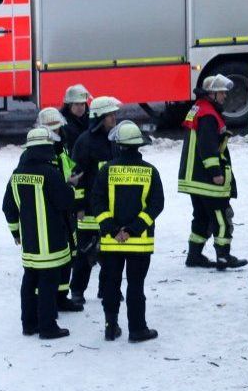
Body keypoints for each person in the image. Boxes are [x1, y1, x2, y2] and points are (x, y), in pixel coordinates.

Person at [3, 127, 76, 340]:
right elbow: (64, 201)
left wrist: (15, 232)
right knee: (48, 284)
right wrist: (70, 187)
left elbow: (8, 206)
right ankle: (47, 327)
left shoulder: (17, 175)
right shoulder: (50, 174)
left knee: (29, 281)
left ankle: (29, 324)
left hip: (30, 244)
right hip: (52, 241)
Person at [93, 121, 163, 343]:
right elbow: (156, 205)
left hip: (111, 242)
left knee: (111, 284)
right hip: (139, 243)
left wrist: (113, 230)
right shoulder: (150, 171)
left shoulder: (106, 171)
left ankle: (110, 327)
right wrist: (133, 230)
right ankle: (137, 329)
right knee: (135, 286)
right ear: (138, 146)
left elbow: (97, 202)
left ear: (119, 146)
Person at [178, 75, 248, 270]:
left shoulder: (198, 109)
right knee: (221, 217)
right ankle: (224, 256)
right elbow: (207, 147)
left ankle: (194, 255)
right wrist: (215, 172)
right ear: (212, 94)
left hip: (194, 178)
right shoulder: (208, 115)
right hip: (207, 179)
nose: (225, 95)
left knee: (201, 217)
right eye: (222, 92)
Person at [69, 96, 121, 306]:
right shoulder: (85, 142)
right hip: (89, 210)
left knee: (110, 252)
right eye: (110, 115)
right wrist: (79, 206)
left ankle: (106, 290)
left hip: (110, 208)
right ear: (100, 117)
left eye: (114, 114)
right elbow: (77, 176)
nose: (114, 118)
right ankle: (77, 291)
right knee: (85, 253)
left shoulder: (115, 139)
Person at [36, 108, 84, 313]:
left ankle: (62, 296)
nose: (58, 130)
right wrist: (68, 184)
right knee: (54, 260)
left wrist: (73, 177)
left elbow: (67, 167)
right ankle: (51, 300)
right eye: (53, 127)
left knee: (69, 255)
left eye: (58, 126)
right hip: (52, 211)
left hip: (66, 207)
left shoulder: (60, 146)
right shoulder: (41, 151)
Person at [60, 84, 90, 154]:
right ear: (69, 105)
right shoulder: (62, 122)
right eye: (76, 104)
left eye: (82, 104)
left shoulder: (90, 120)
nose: (80, 107)